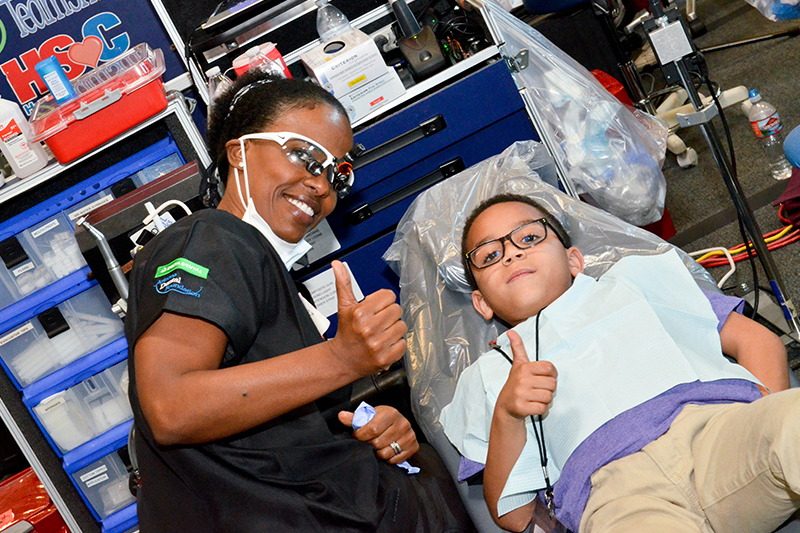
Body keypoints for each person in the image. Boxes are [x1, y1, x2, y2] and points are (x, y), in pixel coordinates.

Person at [125, 71, 473, 532]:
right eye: (304, 156)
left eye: (337, 173)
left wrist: (371, 426)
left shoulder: (256, 261)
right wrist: (342, 358)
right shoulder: (211, 241)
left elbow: (275, 422)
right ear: (239, 152)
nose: (321, 185)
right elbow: (171, 407)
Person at [439, 193, 800, 533]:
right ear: (481, 303)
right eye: (489, 256)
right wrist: (507, 414)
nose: (511, 255)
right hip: (616, 494)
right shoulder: (488, 376)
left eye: (529, 238)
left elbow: (757, 341)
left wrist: (760, 425)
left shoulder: (634, 283)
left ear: (573, 260)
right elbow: (515, 518)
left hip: (720, 435)